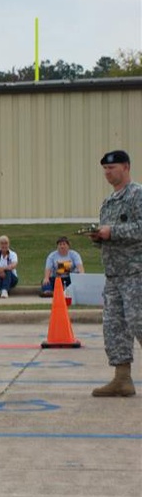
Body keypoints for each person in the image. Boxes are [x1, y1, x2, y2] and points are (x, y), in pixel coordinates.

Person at [87, 150, 142, 398]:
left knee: (138, 322)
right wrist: (99, 237)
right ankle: (122, 379)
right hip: (114, 275)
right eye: (105, 169)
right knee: (114, 327)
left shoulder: (137, 195)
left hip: (135, 272)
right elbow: (109, 235)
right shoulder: (108, 202)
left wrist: (114, 232)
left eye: (112, 168)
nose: (108, 173)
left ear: (126, 167)